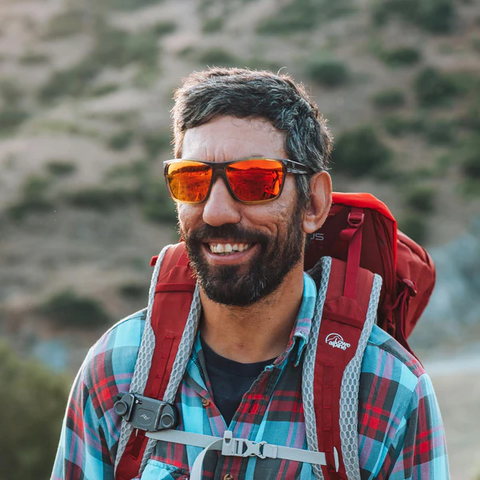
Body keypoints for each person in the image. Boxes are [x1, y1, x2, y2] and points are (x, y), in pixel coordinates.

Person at [51, 67, 449, 480]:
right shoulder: (116, 368)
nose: (216, 211)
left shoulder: (392, 393)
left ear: (313, 204)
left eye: (256, 181)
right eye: (192, 180)